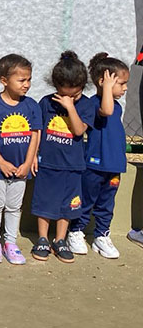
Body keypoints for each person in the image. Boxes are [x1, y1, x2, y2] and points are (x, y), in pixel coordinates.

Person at [0, 54, 41, 265]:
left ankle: (10, 243)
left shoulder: (32, 106)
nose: (27, 85)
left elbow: (35, 134)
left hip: (21, 169)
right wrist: (1, 162)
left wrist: (28, 162)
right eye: (21, 80)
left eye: (29, 79)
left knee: (14, 206)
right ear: (4, 80)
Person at [30, 51, 94, 263]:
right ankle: (42, 239)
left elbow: (78, 130)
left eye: (73, 94)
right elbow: (37, 131)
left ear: (82, 87)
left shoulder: (85, 105)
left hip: (73, 165)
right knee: (44, 203)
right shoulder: (46, 102)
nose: (68, 98)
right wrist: (33, 157)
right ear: (55, 86)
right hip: (47, 163)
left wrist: (70, 107)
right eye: (63, 94)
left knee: (68, 205)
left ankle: (60, 239)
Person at [67, 53, 129, 259]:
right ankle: (75, 231)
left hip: (114, 165)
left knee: (106, 204)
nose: (125, 88)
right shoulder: (94, 104)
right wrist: (108, 89)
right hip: (94, 165)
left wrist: (110, 88)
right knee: (86, 200)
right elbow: (106, 109)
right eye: (121, 83)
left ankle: (101, 236)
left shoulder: (117, 106)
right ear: (104, 82)